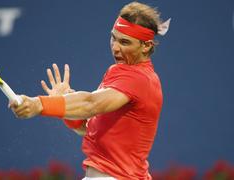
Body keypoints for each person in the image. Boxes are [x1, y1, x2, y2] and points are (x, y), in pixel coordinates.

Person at [10, 1, 169, 179]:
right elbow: (90, 129)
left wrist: (38, 104)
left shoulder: (139, 78)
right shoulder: (120, 73)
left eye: (124, 42)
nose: (115, 47)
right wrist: (63, 105)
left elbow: (90, 103)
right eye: (113, 38)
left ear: (146, 46)